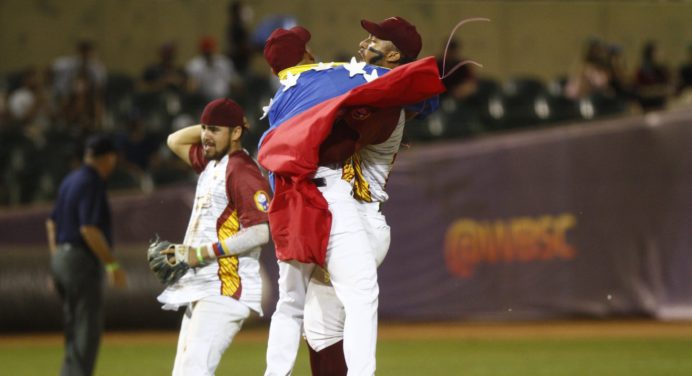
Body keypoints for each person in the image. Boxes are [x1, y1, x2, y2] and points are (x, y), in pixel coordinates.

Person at [261, 18, 441, 376]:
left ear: (393, 54)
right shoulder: (369, 86)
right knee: (319, 327)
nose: (363, 42)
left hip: (356, 217)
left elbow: (424, 98)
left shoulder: (389, 93)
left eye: (374, 39)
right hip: (329, 212)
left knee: (329, 309)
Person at [156, 98, 271, 376]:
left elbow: (262, 231)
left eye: (215, 129)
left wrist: (202, 252)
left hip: (225, 290)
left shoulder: (242, 170)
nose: (205, 135)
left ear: (236, 133)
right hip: (204, 287)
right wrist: (214, 129)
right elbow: (174, 140)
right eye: (204, 127)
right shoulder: (213, 165)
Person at [46, 134, 127, 376]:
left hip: (61, 257)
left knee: (73, 330)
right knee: (86, 332)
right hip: (80, 261)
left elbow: (51, 224)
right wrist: (112, 265)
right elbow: (89, 229)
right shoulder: (92, 182)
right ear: (109, 158)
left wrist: (56, 260)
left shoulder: (70, 180)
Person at [186, 36, 236, 101]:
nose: (209, 52)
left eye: (210, 50)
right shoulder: (194, 65)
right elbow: (191, 88)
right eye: (206, 51)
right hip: (204, 101)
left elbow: (233, 82)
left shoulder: (224, 62)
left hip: (225, 99)